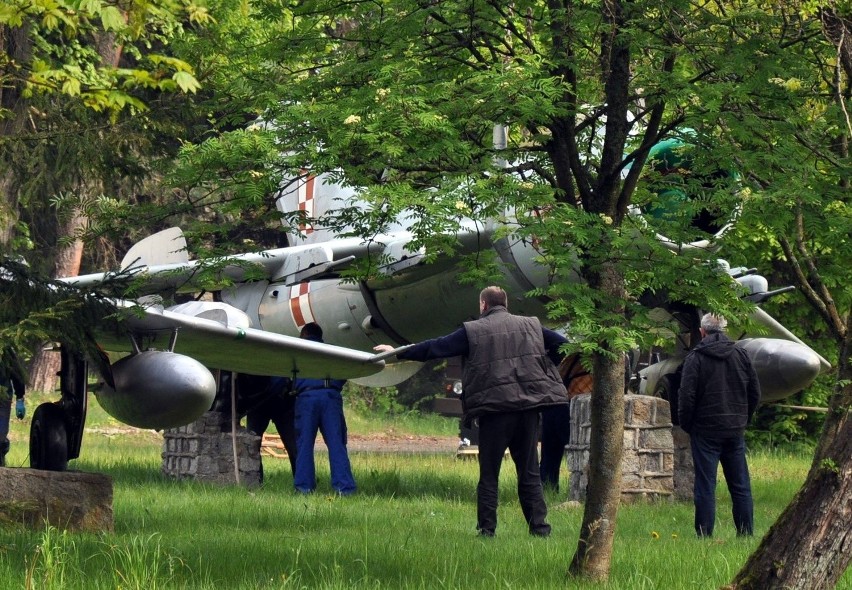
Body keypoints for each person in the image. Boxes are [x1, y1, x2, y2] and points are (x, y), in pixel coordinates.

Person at [375, 286, 569, 537]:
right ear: (506, 304)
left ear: (483, 305)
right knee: (529, 472)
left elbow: (436, 347)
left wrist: (397, 353)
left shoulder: (474, 330)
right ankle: (540, 529)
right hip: (527, 409)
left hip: (495, 410)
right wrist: (541, 367)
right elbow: (563, 345)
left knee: (489, 474)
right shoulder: (531, 325)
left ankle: (487, 531)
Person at [677, 313, 761, 538]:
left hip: (705, 430)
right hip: (734, 429)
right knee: (741, 485)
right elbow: (755, 392)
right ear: (724, 330)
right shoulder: (741, 355)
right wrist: (744, 419)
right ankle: (745, 534)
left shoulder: (696, 358)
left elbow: (686, 397)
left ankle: (704, 536)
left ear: (702, 331)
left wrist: (688, 425)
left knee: (705, 485)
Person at [293, 322, 356, 495]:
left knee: (304, 444)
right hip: (330, 397)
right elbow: (345, 372)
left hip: (306, 398)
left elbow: (286, 375)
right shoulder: (332, 351)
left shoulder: (297, 351)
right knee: (337, 444)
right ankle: (344, 488)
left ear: (304, 334)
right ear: (321, 336)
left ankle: (304, 488)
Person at [239, 373, 298, 477]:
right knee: (252, 444)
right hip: (258, 402)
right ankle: (255, 480)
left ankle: (301, 482)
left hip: (282, 400)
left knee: (293, 445)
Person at [0, 349, 27, 468]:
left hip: (3, 397)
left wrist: (20, 398)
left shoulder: (6, 349)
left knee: (0, 435)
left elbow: (16, 373)